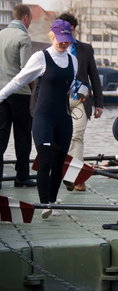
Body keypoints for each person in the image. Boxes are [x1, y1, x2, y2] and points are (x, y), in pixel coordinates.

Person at [0, 19, 78, 218]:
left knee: (60, 161)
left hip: (64, 118)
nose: (64, 43)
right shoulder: (40, 57)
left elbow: (69, 88)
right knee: (45, 158)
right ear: (52, 36)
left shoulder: (73, 60)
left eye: (67, 39)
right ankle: (44, 204)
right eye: (60, 39)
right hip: (43, 116)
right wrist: (1, 96)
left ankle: (53, 201)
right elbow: (19, 80)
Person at [58, 13, 103, 192]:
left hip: (80, 100)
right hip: (59, 100)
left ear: (74, 29)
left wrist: (99, 103)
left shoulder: (85, 49)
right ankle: (61, 171)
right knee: (60, 139)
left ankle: (74, 178)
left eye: (70, 30)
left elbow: (94, 76)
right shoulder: (54, 49)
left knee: (77, 136)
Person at [0, 4, 36, 189]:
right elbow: (26, 70)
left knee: (1, 136)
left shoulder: (0, 35)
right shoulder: (23, 37)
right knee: (22, 136)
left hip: (1, 95)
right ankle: (21, 176)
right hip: (19, 94)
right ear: (25, 18)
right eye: (31, 18)